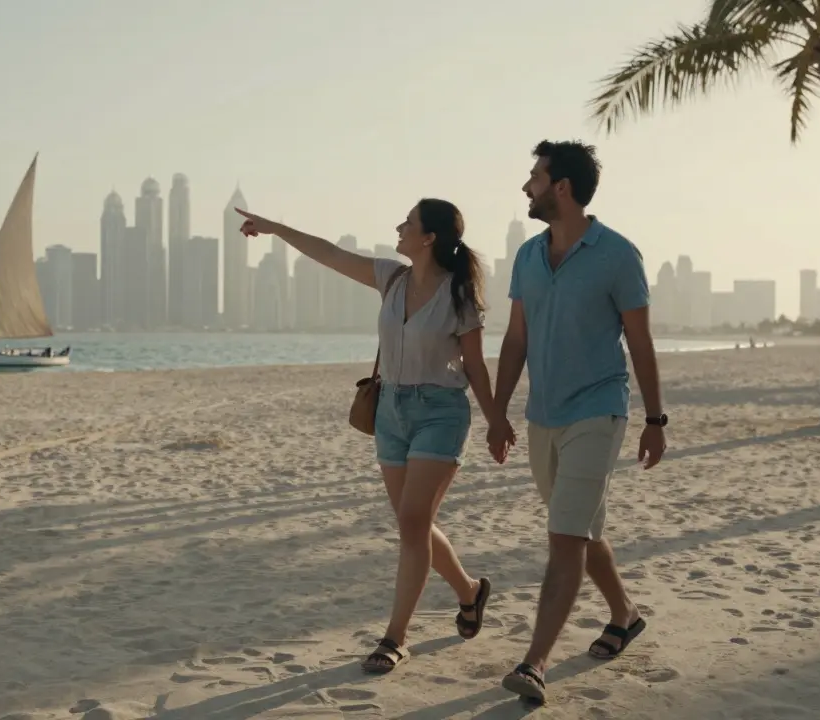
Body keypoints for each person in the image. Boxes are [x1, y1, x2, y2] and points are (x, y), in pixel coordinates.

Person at [237, 199, 510, 674]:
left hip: (440, 413)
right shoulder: (392, 277)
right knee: (413, 524)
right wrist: (274, 228)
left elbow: (475, 368)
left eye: (408, 223)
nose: (398, 228)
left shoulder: (460, 294)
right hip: (390, 411)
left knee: (411, 522)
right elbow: (328, 253)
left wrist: (495, 421)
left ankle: (394, 637)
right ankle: (469, 591)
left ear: (428, 238)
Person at [489, 140, 667, 703]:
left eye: (535, 177)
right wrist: (496, 412)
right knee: (584, 533)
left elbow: (639, 341)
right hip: (543, 415)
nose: (527, 187)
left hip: (598, 409)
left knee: (564, 537)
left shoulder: (617, 255)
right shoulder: (527, 256)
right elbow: (516, 338)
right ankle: (625, 614)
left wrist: (655, 418)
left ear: (560, 187)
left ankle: (534, 663)